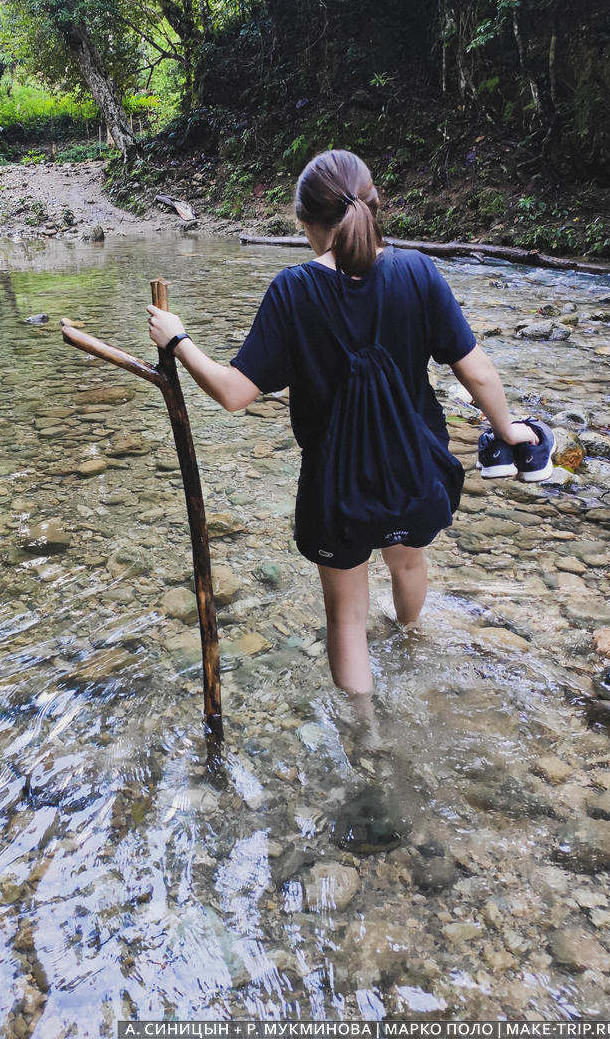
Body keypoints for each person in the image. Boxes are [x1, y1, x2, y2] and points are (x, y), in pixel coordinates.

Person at [147, 149, 545, 714]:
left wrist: (178, 339)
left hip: (337, 491)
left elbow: (234, 394)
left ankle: (365, 736)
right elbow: (476, 370)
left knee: (347, 619)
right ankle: (410, 643)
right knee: (408, 561)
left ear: (305, 223)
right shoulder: (417, 272)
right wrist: (509, 431)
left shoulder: (292, 290)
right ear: (372, 206)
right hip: (415, 472)